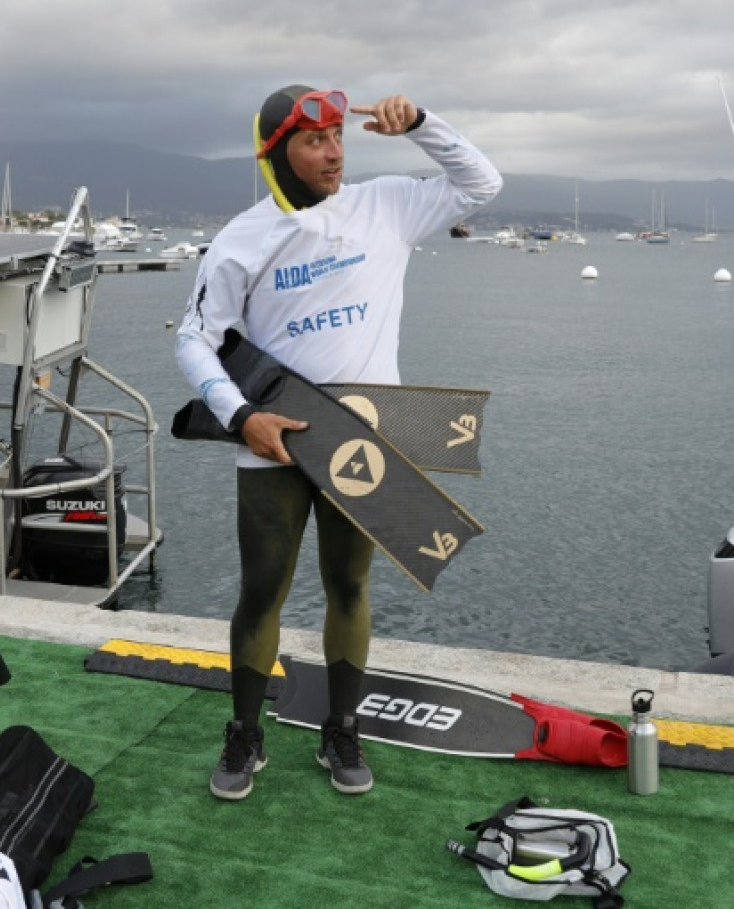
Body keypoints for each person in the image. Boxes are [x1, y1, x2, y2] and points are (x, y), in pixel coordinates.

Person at [175, 87, 501, 800]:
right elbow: (193, 338)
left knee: (349, 585)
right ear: (275, 152)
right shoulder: (241, 239)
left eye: (337, 137)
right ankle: (245, 733)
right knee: (263, 591)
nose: (333, 152)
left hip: (364, 438)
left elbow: (482, 182)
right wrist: (239, 417)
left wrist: (420, 125)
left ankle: (341, 727)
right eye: (314, 140)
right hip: (273, 442)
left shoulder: (387, 204)